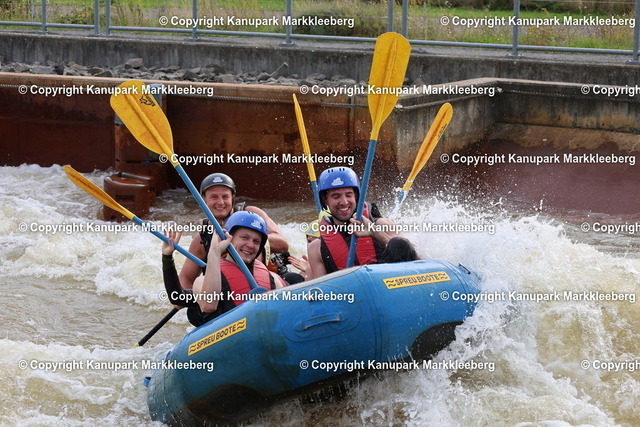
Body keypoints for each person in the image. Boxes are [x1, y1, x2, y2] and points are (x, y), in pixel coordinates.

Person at [162, 211, 285, 326]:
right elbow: (205, 304)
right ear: (228, 238)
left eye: (256, 241)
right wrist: (167, 256)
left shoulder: (274, 280)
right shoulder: (202, 282)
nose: (250, 245)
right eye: (244, 238)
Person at [178, 172, 288, 291]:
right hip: (229, 293)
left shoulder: (252, 215)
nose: (220, 202)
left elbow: (282, 244)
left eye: (225, 197)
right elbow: (185, 278)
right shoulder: (203, 237)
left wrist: (247, 238)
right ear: (204, 199)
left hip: (267, 284)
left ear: (233, 197)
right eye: (214, 197)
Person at [307, 166, 415, 279]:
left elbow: (414, 261)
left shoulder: (383, 225)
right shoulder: (316, 248)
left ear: (356, 197)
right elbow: (320, 288)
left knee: (399, 243)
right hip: (350, 289)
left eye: (348, 195)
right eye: (336, 196)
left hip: (389, 285)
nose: (344, 202)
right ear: (325, 200)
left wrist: (375, 233)